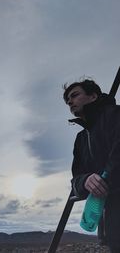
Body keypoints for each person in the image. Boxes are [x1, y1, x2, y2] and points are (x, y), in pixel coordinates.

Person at [63, 79, 120, 253]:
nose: (70, 102)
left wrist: (103, 179)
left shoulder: (115, 115)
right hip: (110, 218)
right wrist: (86, 180)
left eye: (75, 95)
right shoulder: (80, 139)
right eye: (68, 101)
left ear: (93, 96)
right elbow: (76, 178)